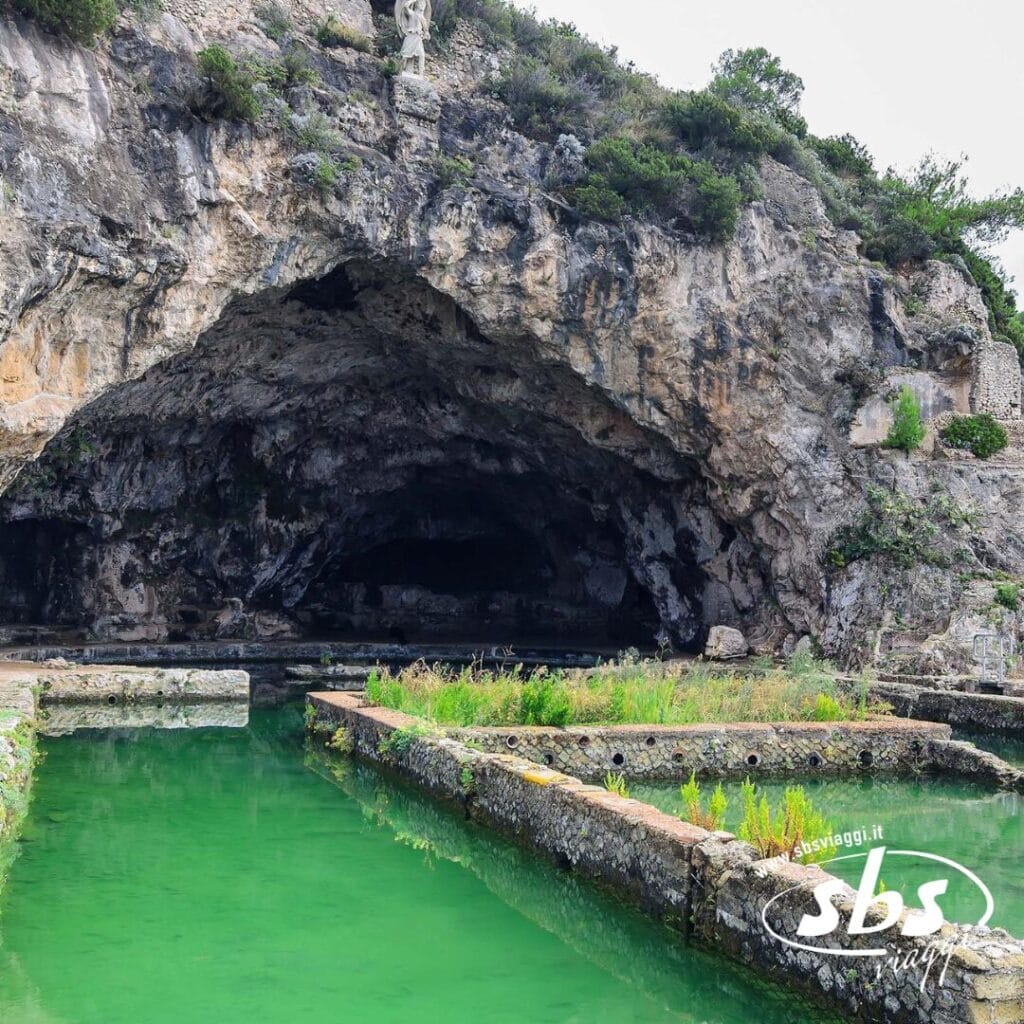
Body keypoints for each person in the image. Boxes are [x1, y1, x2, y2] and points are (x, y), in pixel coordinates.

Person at [397, 0, 430, 77]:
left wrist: (426, 34)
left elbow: (426, 31)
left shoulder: (423, 18)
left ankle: (421, 74)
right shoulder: (412, 13)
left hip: (418, 39)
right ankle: (399, 71)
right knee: (405, 56)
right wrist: (413, 0)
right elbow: (405, 6)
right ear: (417, 4)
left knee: (422, 55)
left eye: (423, 4)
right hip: (411, 37)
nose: (422, 5)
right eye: (421, 3)